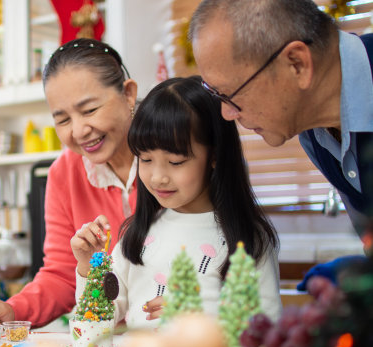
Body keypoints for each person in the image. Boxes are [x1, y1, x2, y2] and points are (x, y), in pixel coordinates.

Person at [71, 77, 282, 329]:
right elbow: (94, 323)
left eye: (176, 162)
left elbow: (268, 331)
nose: (158, 177)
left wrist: (198, 318)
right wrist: (88, 267)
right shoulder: (136, 235)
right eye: (146, 160)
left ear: (213, 156)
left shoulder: (248, 238)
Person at [0, 38, 139, 328]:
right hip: (107, 341)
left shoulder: (172, 151)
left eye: (89, 110)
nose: (79, 131)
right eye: (63, 120)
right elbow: (61, 274)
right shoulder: (64, 173)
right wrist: (13, 311)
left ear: (128, 94)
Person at [188, 0, 373, 236]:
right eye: (215, 94)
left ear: (297, 64)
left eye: (230, 94)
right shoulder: (313, 130)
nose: (226, 114)